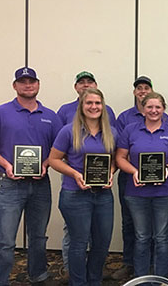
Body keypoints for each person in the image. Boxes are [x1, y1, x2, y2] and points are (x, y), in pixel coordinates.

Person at [0, 67, 62, 285]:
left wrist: (45, 164)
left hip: (41, 184)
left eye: (31, 81)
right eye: (22, 81)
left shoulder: (50, 117)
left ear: (38, 84)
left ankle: (38, 275)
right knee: (5, 240)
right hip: (10, 185)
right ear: (15, 86)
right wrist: (5, 164)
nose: (28, 85)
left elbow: (59, 150)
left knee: (39, 237)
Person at [49, 88, 117, 285]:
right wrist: (75, 173)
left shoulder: (111, 132)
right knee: (78, 244)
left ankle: (94, 280)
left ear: (103, 106)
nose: (93, 107)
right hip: (75, 195)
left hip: (103, 195)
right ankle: (78, 282)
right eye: (89, 103)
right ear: (81, 106)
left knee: (102, 244)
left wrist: (111, 173)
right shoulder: (68, 131)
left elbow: (115, 160)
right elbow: (54, 160)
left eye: (97, 103)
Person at [115, 92, 168, 278]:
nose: (154, 111)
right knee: (142, 237)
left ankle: (160, 278)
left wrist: (167, 169)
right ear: (143, 109)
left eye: (158, 107)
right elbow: (120, 157)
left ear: (163, 109)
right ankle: (142, 278)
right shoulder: (130, 130)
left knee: (161, 237)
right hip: (136, 193)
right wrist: (133, 171)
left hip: (166, 193)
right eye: (150, 107)